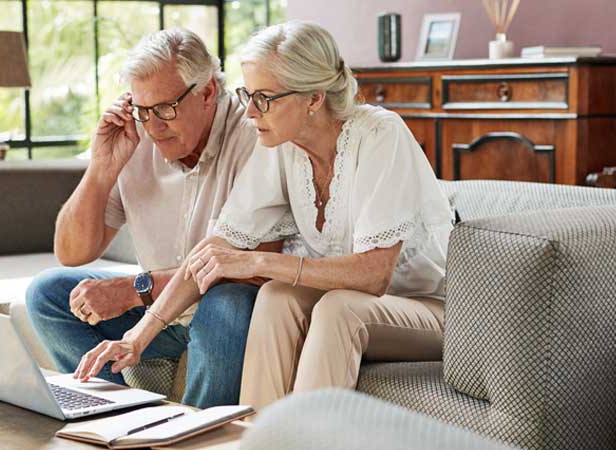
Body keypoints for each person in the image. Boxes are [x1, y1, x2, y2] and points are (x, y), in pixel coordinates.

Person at [71, 21, 453, 413]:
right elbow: (215, 250)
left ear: (314, 98)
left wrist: (257, 260)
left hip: (430, 309)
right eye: (247, 95)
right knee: (276, 295)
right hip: (356, 302)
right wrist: (137, 336)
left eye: (264, 98)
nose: (250, 112)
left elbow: (375, 275)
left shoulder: (380, 135)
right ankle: (254, 437)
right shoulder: (281, 145)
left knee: (338, 309)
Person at [25, 28, 271, 408]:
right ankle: (118, 418)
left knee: (229, 301)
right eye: (143, 110)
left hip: (225, 317)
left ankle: (194, 436)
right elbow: (72, 253)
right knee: (48, 293)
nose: (153, 127)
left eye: (165, 110)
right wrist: (101, 167)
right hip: (156, 314)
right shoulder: (136, 133)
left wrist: (133, 289)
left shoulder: (253, 136)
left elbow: (249, 265)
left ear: (207, 93)